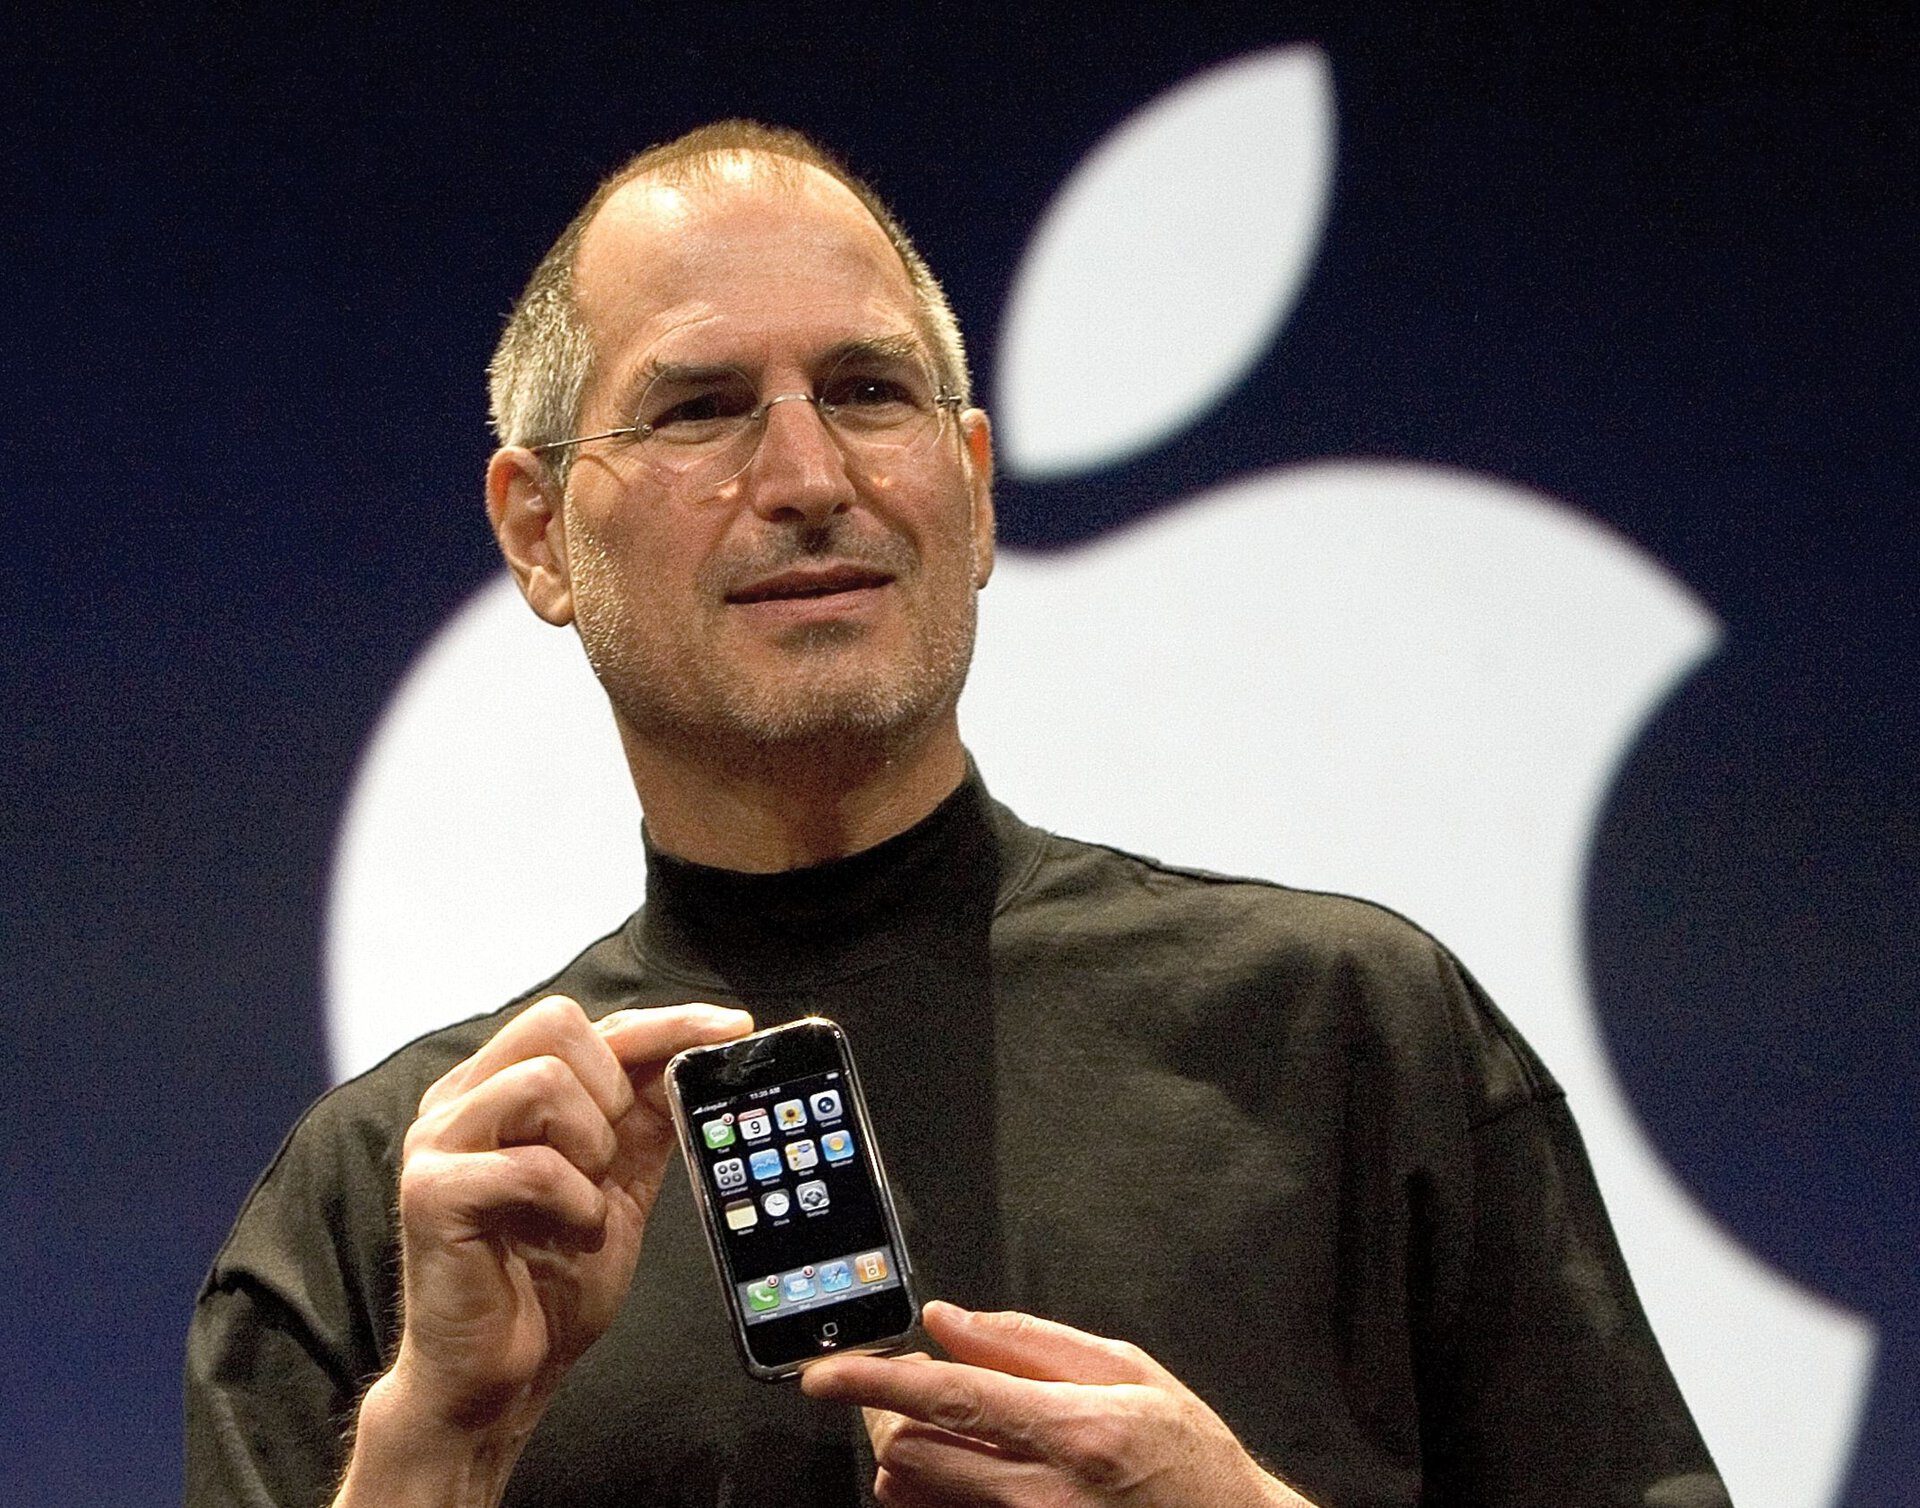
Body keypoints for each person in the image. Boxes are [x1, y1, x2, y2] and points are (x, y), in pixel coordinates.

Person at [186, 121, 1730, 1508]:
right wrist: (441, 1443)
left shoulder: (1347, 1034)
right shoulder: (404, 1200)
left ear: (975, 490)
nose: (805, 474)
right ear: (537, 529)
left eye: (868, 391)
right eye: (702, 409)